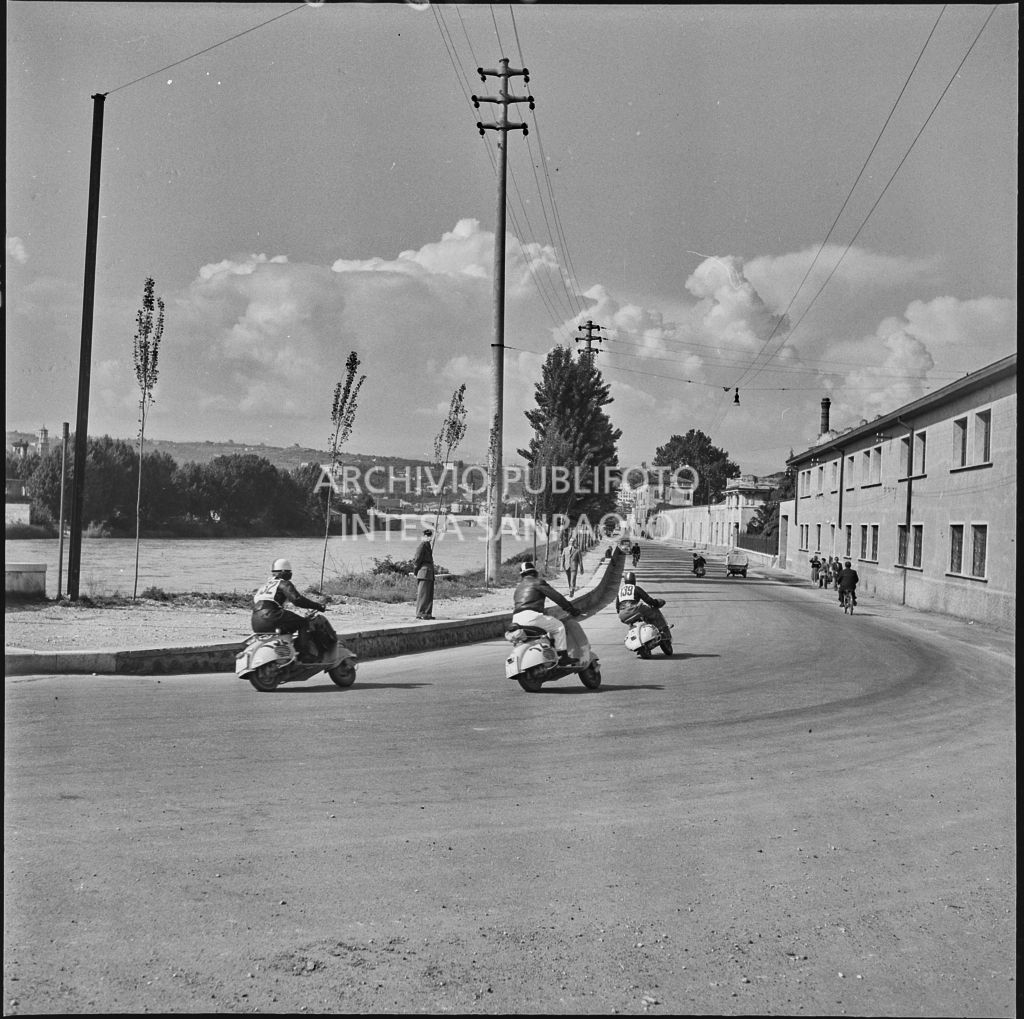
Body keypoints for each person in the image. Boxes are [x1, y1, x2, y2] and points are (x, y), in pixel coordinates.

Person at [251, 558, 328, 662]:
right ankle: (304, 654)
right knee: (303, 623)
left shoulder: (264, 586)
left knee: (289, 624)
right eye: (289, 572)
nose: (290, 574)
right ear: (283, 572)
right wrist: (318, 606)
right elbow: (297, 600)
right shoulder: (284, 583)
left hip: (256, 621)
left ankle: (287, 652)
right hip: (271, 616)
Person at [511, 561, 581, 666]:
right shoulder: (538, 582)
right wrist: (570, 609)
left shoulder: (518, 588)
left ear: (522, 575)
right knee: (559, 627)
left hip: (516, 619)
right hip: (531, 617)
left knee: (545, 629)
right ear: (534, 572)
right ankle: (563, 657)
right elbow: (557, 597)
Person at [616, 570, 669, 638]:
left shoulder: (620, 591)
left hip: (622, 616)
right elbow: (648, 600)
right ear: (634, 580)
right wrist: (656, 603)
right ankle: (662, 631)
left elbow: (617, 608)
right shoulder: (635, 588)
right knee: (654, 614)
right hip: (635, 610)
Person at [412, 528, 435, 620]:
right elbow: (417, 560)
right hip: (424, 572)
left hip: (429, 572)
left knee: (429, 594)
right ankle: (421, 612)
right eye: (427, 536)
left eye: (430, 536)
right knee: (423, 594)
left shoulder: (427, 546)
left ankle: (427, 613)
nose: (429, 538)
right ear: (423, 536)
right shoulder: (422, 546)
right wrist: (415, 571)